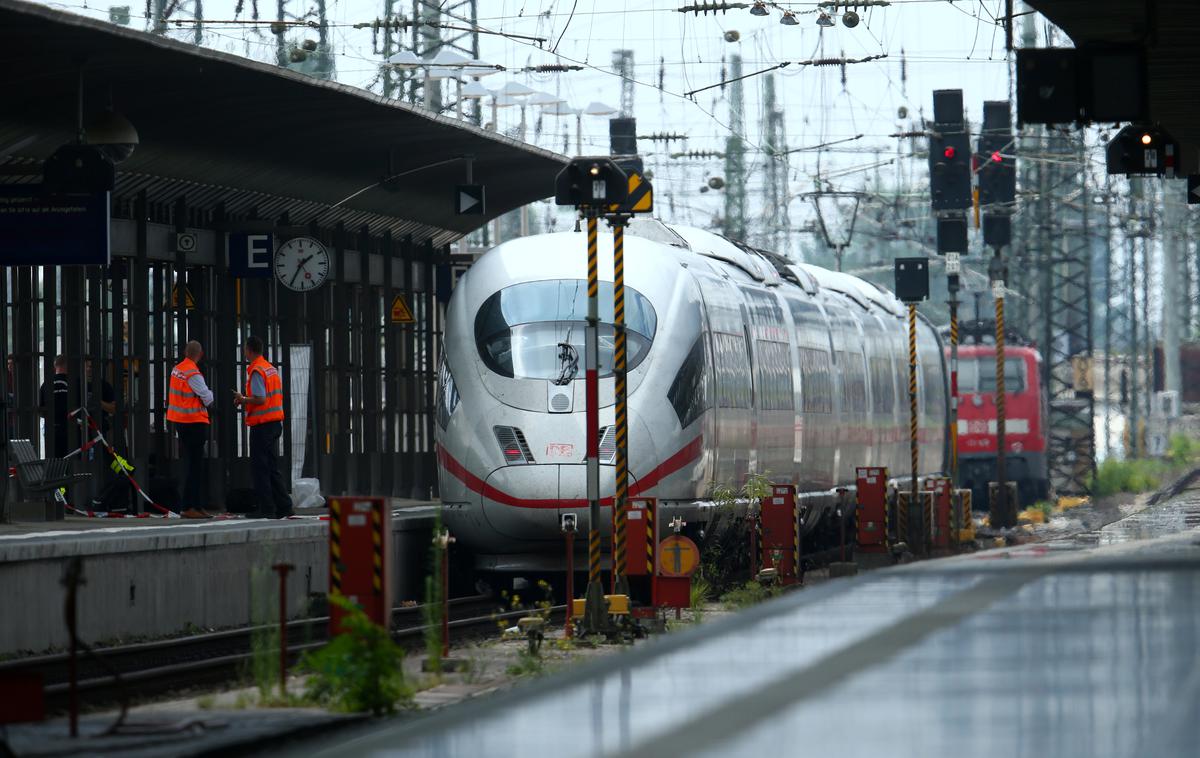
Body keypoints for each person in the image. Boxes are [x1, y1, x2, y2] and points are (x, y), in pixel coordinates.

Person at [233, 336, 292, 519]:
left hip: (263, 425)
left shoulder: (257, 370)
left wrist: (243, 400)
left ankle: (266, 509)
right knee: (272, 467)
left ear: (249, 350)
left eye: (245, 349)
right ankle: (284, 506)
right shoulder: (271, 369)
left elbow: (260, 398)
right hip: (274, 423)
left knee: (260, 468)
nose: (244, 352)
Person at [167, 341, 214, 519]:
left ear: (185, 352)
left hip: (180, 422)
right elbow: (208, 398)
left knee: (190, 464)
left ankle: (193, 504)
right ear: (200, 354)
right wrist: (210, 393)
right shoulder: (193, 373)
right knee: (196, 466)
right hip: (194, 422)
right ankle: (190, 505)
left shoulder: (176, 369)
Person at [38, 355, 70, 458]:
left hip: (51, 428)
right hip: (70, 428)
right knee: (71, 460)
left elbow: (40, 408)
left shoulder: (46, 384)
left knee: (54, 462)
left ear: (55, 366)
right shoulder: (74, 383)